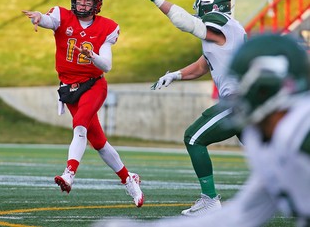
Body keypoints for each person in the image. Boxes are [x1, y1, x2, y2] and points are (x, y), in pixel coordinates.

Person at [93, 33, 310, 227]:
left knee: (194, 137)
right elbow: (242, 214)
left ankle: (209, 198)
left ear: (268, 88)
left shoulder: (299, 133)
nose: (239, 95)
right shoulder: (267, 140)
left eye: (243, 85)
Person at [22, 0, 144, 208]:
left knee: (79, 125)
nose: (83, 4)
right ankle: (129, 179)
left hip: (94, 85)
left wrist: (93, 58)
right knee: (98, 142)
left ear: (97, 4)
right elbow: (50, 20)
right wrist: (39, 16)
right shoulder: (62, 16)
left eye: (88, 0)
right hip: (70, 89)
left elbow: (106, 65)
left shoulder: (107, 27)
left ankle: (69, 173)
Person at [135, 0, 247, 216]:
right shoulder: (225, 34)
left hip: (238, 101)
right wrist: (174, 75)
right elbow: (202, 65)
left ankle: (209, 200)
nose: (199, 15)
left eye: (201, 10)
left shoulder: (222, 24)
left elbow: (186, 23)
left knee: (194, 138)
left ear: (211, 7)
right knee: (270, 150)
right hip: (246, 101)